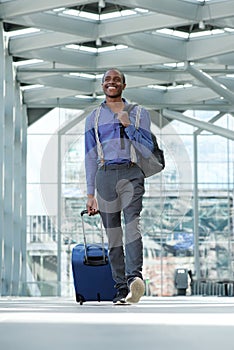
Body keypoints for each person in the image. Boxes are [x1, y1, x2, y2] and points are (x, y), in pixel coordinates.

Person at [84, 68, 154, 304]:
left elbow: (147, 149)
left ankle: (135, 278)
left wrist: (129, 127)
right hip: (104, 175)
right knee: (113, 234)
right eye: (107, 80)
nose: (111, 83)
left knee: (132, 224)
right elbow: (90, 157)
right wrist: (90, 194)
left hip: (131, 172)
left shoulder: (138, 114)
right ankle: (121, 288)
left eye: (116, 80)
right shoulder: (92, 118)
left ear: (124, 85)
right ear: (102, 85)